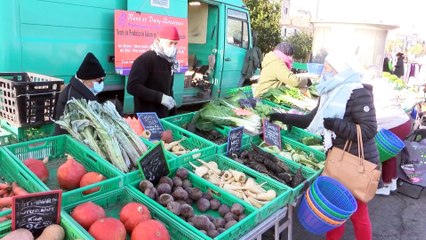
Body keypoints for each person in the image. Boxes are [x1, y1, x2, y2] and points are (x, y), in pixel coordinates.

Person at [270, 53, 378, 240]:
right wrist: (282, 117)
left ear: (339, 69)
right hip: (338, 157)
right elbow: (311, 119)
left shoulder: (358, 91)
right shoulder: (331, 91)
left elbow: (369, 129)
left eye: (327, 68)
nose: (324, 72)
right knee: (334, 209)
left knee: (358, 212)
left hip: (357, 161)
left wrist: (336, 125)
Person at [362, 65, 412, 195]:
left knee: (383, 154)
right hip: (404, 122)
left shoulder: (370, 85)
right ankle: (391, 184)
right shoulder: (385, 83)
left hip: (393, 123)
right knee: (390, 154)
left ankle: (384, 186)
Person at [127, 26, 180, 118]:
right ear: (160, 40)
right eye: (170, 43)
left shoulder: (169, 61)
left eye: (175, 44)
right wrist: (160, 98)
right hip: (146, 116)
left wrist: (173, 114)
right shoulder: (144, 60)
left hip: (163, 115)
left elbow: (168, 89)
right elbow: (133, 87)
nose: (173, 47)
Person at [54, 52, 105, 135]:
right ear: (86, 79)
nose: (101, 84)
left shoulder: (81, 89)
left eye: (103, 80)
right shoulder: (74, 98)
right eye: (99, 80)